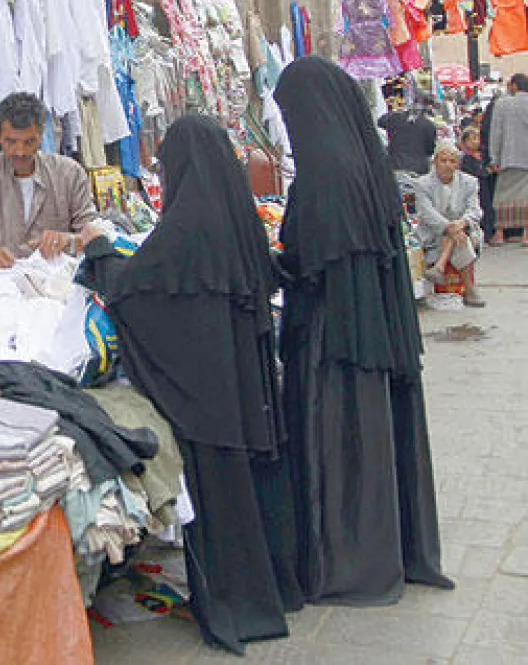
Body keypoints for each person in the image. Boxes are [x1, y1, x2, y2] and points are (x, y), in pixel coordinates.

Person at [76, 116, 302, 654]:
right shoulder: (239, 217)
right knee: (254, 491)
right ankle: (275, 590)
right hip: (247, 388)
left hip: (209, 401)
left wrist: (98, 252)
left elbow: (135, 290)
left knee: (221, 501)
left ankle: (238, 604)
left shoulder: (182, 228)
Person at [273, 56, 453, 605]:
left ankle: (349, 563)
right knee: (378, 433)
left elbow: (312, 261)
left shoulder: (323, 175)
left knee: (341, 440)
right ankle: (395, 550)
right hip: (373, 332)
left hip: (336, 340)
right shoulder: (364, 162)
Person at [0, 92, 98, 269]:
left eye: (29, 142)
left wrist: (69, 240)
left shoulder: (69, 174)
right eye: (11, 142)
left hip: (58, 280)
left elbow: (95, 234)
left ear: (41, 135)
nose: (20, 151)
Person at [416, 142, 487, 307]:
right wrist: (450, 227)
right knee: (454, 235)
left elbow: (475, 210)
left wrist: (461, 223)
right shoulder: (422, 184)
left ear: (457, 163)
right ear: (435, 162)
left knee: (458, 236)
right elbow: (427, 213)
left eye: (452, 161)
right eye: (443, 160)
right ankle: (470, 289)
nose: (448, 165)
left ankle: (439, 266)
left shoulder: (469, 182)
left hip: (464, 229)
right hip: (434, 231)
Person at [488, 73, 528, 243]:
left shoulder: (502, 104)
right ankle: (526, 233)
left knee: (502, 196)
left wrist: (494, 157)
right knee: (526, 196)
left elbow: (496, 132)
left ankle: (500, 233)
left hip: (507, 156)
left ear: (514, 85)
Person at [377, 99, 437, 175]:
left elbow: (380, 122)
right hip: (419, 169)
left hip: (395, 166)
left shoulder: (394, 118)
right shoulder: (429, 125)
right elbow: (430, 150)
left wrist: (396, 112)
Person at [459, 127, 496, 244]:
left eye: (477, 138)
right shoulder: (466, 159)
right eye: (473, 139)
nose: (476, 142)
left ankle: (489, 233)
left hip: (485, 189)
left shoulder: (482, 156)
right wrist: (486, 171)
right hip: (476, 190)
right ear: (465, 142)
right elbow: (474, 173)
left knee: (487, 209)